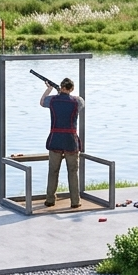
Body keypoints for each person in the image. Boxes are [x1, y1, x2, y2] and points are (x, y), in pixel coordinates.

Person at [40, 77, 84, 208]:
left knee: (53, 171)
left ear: (61, 87)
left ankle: (50, 200)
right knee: (73, 172)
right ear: (72, 88)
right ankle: (75, 201)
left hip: (56, 139)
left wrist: (49, 89)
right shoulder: (78, 101)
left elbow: (42, 102)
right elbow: (80, 102)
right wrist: (62, 93)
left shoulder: (52, 100)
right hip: (71, 140)